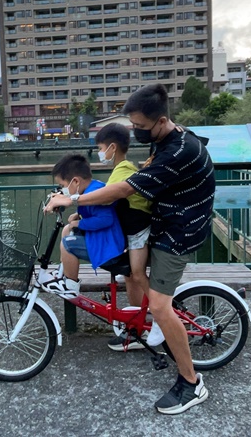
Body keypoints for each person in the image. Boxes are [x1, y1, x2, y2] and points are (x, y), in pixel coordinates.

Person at [45, 84, 215, 415]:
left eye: (139, 127)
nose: (134, 131)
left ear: (161, 121)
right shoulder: (171, 137)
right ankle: (139, 330)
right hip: (163, 221)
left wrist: (72, 199)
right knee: (130, 276)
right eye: (132, 124)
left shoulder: (178, 152)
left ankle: (191, 383)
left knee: (162, 306)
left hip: (179, 232)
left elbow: (121, 189)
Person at [94, 123, 153, 351]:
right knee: (130, 274)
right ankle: (137, 326)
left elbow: (104, 199)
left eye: (100, 148)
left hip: (139, 232)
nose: (100, 153)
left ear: (112, 147)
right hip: (134, 232)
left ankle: (160, 317)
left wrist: (76, 206)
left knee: (137, 274)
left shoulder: (123, 170)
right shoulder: (123, 168)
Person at [40, 154, 126, 299]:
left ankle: (71, 286)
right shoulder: (91, 187)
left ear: (75, 182)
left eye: (63, 185)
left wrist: (80, 223)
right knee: (68, 229)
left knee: (67, 245)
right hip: (104, 240)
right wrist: (78, 216)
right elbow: (93, 212)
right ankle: (62, 273)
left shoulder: (94, 193)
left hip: (108, 247)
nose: (62, 189)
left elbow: (106, 219)